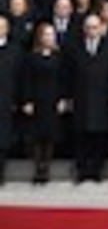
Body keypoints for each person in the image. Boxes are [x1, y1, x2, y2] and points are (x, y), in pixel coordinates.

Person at [68, 13, 108, 182]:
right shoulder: (75, 46)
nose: (91, 31)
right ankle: (82, 170)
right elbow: (68, 73)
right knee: (81, 135)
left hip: (102, 97)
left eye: (95, 27)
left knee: (99, 135)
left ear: (101, 28)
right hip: (81, 97)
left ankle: (97, 170)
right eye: (88, 27)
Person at [21, 22, 67, 184]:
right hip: (37, 99)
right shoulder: (31, 57)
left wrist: (63, 98)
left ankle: (46, 167)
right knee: (37, 136)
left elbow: (63, 79)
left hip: (52, 100)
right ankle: (37, 167)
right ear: (40, 37)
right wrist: (27, 100)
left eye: (52, 35)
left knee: (50, 135)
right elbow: (26, 80)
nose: (49, 38)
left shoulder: (59, 57)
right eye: (46, 34)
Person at [0, 14, 22, 184]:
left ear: (7, 29)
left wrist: (18, 99)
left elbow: (19, 76)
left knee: (3, 137)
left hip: (6, 98)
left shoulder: (15, 50)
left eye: (2, 26)